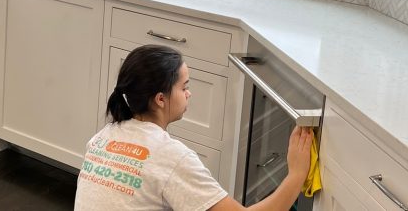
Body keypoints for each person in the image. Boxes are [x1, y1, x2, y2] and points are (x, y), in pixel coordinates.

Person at [74, 44, 313, 211]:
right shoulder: (172, 158)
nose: (189, 93)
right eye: (184, 87)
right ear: (160, 99)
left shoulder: (102, 138)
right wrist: (296, 175)